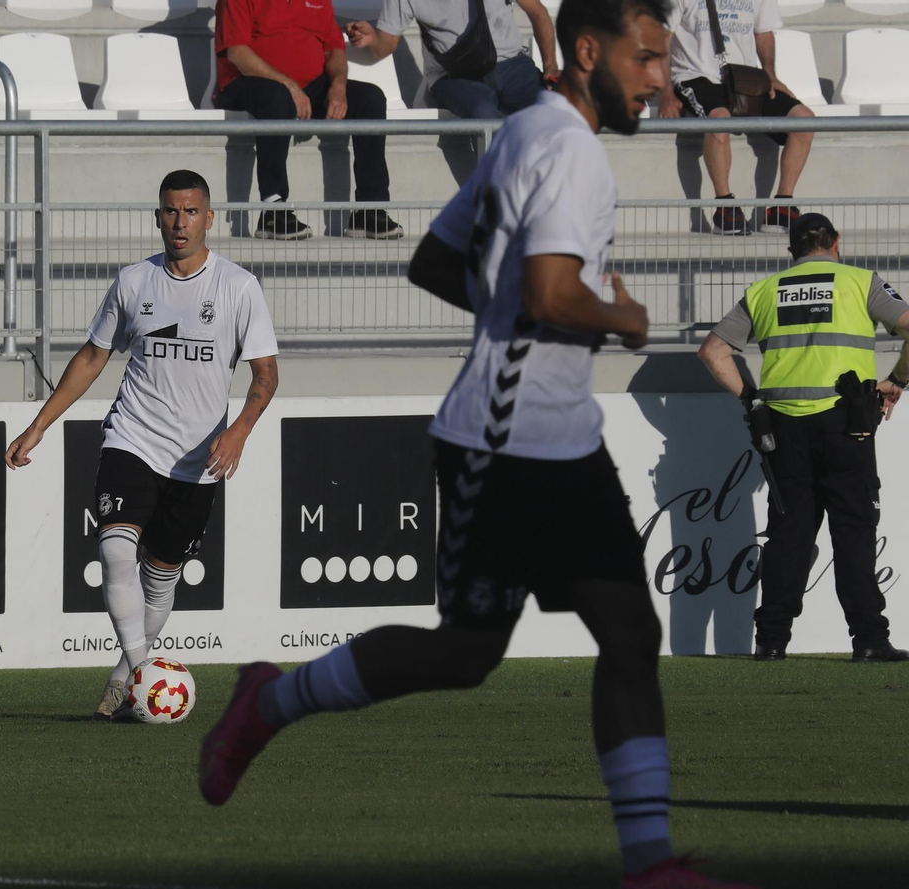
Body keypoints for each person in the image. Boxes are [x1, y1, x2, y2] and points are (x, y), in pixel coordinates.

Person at [199, 3, 757, 887]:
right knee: (467, 651)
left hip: (561, 437)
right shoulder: (569, 149)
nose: (659, 76)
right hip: (504, 443)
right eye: (645, 57)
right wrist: (620, 314)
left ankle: (649, 862)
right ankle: (268, 698)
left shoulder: (527, 126)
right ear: (586, 52)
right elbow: (547, 291)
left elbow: (436, 261)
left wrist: (526, 308)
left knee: (624, 628)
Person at [5, 169, 279, 720]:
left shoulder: (238, 287)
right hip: (132, 438)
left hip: (198, 461)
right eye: (171, 211)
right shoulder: (134, 282)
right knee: (113, 549)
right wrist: (39, 427)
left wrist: (240, 429)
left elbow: (266, 376)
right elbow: (91, 357)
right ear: (158, 217)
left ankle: (124, 675)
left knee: (159, 581)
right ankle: (144, 669)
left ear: (210, 218)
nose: (181, 222)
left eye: (192, 211)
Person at [697, 214, 909, 663]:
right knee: (853, 531)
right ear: (836, 243)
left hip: (782, 428)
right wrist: (898, 380)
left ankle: (771, 642)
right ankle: (869, 639)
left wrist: (752, 400)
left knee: (789, 536)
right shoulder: (859, 281)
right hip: (846, 422)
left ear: (790, 250)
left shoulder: (763, 291)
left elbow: (713, 352)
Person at [212, 0, 402, 241]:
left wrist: (338, 86)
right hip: (244, 82)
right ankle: (274, 210)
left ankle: (370, 209)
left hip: (307, 85)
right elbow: (238, 53)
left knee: (370, 98)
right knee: (276, 97)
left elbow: (334, 48)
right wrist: (288, 85)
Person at [658, 0, 812, 236]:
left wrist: (770, 74)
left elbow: (764, 33)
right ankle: (725, 207)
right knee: (720, 120)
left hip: (744, 78)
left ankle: (782, 205)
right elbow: (662, 38)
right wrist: (666, 93)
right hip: (695, 76)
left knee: (804, 119)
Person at [346, 0, 558, 120]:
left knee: (554, 110)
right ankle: (502, 189)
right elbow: (387, 44)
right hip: (454, 77)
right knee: (482, 113)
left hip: (513, 65)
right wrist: (372, 39)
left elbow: (538, 13)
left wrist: (550, 64)